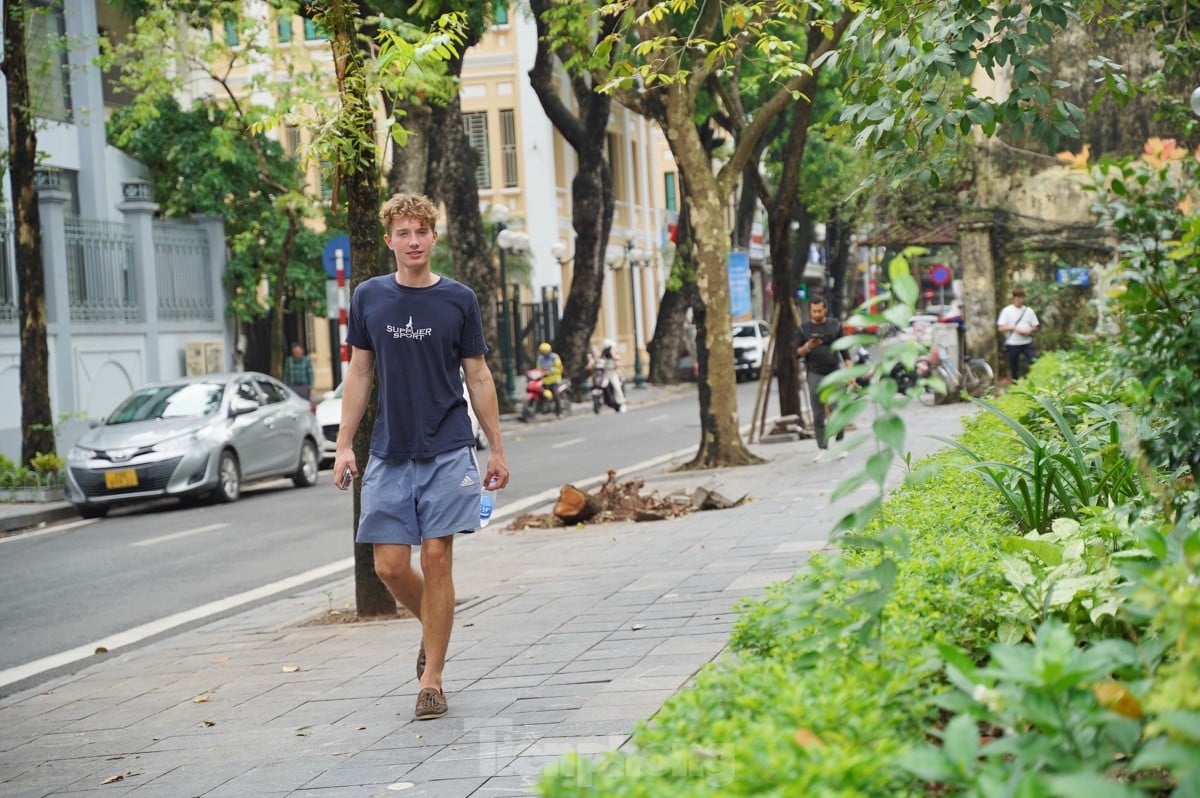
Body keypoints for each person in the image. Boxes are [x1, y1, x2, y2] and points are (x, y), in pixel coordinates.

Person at [333, 193, 509, 722]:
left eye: (422, 232)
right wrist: (344, 443)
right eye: (403, 233)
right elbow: (360, 374)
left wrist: (496, 447)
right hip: (389, 447)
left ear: (435, 237)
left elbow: (477, 374)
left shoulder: (458, 299)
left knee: (436, 558)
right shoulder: (369, 298)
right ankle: (432, 629)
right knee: (388, 567)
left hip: (448, 445)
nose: (413, 242)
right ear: (389, 240)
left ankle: (431, 679)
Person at [795, 297, 851, 459]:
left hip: (834, 372)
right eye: (814, 311)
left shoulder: (835, 326)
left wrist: (850, 374)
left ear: (825, 309)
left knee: (837, 410)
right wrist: (808, 346)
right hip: (814, 373)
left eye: (820, 311)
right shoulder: (804, 329)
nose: (817, 314)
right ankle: (823, 448)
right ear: (810, 311)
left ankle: (840, 443)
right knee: (818, 412)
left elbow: (845, 352)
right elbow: (796, 353)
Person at [996, 286, 1039, 382]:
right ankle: (1015, 384)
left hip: (1027, 342)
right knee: (1014, 366)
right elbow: (1000, 328)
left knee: (1035, 361)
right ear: (1014, 298)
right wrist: (1014, 328)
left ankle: (1033, 380)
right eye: (1018, 297)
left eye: (1022, 297)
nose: (1021, 300)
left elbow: (1035, 326)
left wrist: (1029, 331)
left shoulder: (1029, 311)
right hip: (1013, 343)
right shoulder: (1007, 311)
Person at [586, 338, 627, 412]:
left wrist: (616, 361)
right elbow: (597, 359)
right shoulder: (603, 353)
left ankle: (621, 403)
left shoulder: (613, 353)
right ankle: (605, 400)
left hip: (612, 373)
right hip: (605, 373)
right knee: (602, 384)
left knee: (616, 386)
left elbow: (617, 362)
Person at [536, 342, 565, 417]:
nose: (544, 353)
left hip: (555, 380)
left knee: (556, 394)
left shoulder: (554, 357)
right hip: (545, 381)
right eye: (542, 352)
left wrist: (550, 371)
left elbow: (559, 368)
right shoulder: (540, 359)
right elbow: (539, 369)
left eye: (545, 352)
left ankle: (559, 412)